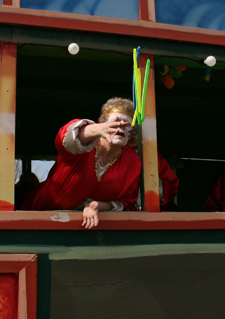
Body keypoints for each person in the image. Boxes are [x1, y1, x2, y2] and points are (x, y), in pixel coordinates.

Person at [22, 98, 142, 229]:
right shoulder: (83, 146)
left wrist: (95, 205)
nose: (121, 126)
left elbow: (125, 202)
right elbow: (64, 139)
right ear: (102, 123)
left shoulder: (132, 161)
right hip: (40, 217)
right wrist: (98, 129)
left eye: (127, 124)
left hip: (88, 229)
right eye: (116, 121)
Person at [126, 126, 180, 210]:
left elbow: (171, 185)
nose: (133, 131)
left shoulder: (150, 152)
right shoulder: (113, 151)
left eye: (136, 129)